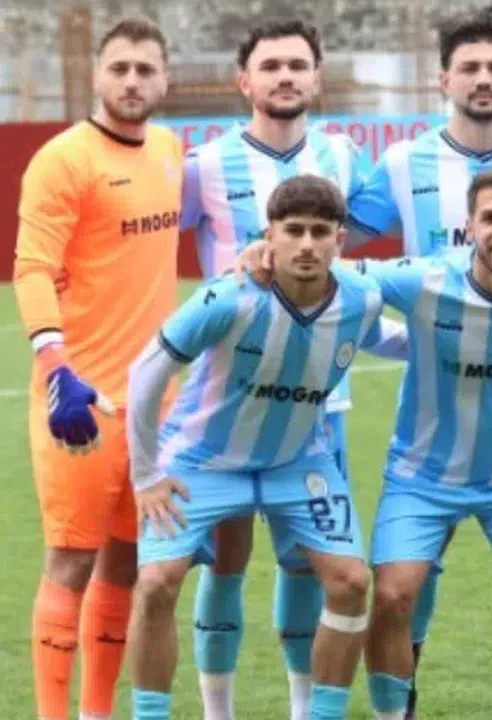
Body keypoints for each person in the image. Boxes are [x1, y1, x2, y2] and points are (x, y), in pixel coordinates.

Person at [345, 14, 492, 714]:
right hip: (435, 396)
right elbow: (338, 245)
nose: (483, 80)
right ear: (442, 80)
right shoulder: (402, 163)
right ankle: (401, 699)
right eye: (469, 68)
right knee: (408, 578)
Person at [179, 19, 397, 720]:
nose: (284, 77)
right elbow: (150, 239)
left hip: (317, 403)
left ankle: (304, 706)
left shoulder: (344, 157)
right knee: (227, 559)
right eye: (270, 65)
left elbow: (365, 240)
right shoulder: (206, 166)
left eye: (297, 65)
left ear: (317, 78)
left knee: (306, 559)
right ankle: (218, 711)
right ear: (244, 80)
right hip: (227, 403)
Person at [125, 175, 391, 720]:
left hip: (298, 461)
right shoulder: (229, 297)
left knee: (351, 581)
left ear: (340, 240)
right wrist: (146, 474)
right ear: (269, 235)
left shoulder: (361, 298)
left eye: (320, 232)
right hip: (202, 461)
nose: (307, 244)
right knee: (155, 584)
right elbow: (146, 373)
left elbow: (393, 336)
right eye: (294, 230)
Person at [14, 16, 183, 720]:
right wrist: (56, 367)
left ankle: (96, 714)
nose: (132, 81)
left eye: (145, 69)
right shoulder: (62, 160)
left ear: (165, 79)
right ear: (97, 76)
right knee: (71, 560)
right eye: (120, 68)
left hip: (153, 407)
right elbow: (31, 268)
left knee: (127, 561)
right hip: (79, 401)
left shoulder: (170, 151)